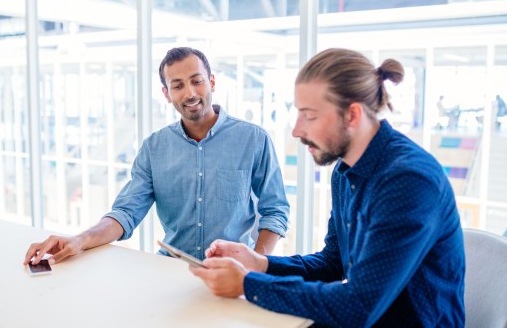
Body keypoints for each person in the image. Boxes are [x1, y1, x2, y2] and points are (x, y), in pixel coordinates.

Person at [190, 48, 465, 327]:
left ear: (352, 115)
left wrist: (248, 285)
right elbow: (333, 264)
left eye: (309, 116)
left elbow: (358, 306)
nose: (296, 130)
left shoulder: (408, 182)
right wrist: (260, 264)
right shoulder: (345, 172)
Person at [24, 47, 289, 266]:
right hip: (170, 268)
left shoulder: (253, 139)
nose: (190, 93)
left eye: (197, 81)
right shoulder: (154, 148)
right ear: (166, 94)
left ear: (212, 82)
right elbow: (126, 213)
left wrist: (257, 263)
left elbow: (274, 210)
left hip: (235, 269)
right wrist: (78, 240)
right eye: (178, 85)